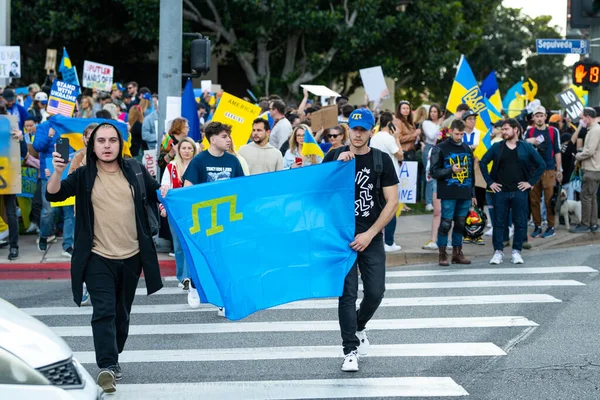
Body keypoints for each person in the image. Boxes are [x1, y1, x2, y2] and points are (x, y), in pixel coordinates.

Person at [46, 123, 168, 394]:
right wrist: (56, 171)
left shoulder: (134, 169)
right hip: (97, 255)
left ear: (120, 143)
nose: (107, 145)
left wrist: (166, 199)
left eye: (112, 140)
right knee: (104, 311)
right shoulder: (83, 174)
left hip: (132, 255)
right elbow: (54, 194)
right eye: (101, 140)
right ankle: (107, 366)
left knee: (121, 315)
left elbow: (156, 192)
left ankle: (114, 353)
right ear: (92, 145)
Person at [323, 108, 399, 372]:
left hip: (371, 234)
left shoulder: (381, 160)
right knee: (347, 294)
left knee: (376, 292)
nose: (357, 134)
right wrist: (335, 168)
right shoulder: (334, 155)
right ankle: (349, 349)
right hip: (341, 237)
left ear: (371, 131)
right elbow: (319, 194)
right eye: (353, 129)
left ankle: (359, 325)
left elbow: (392, 202)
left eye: (362, 130)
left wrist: (370, 233)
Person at [182, 122, 245, 313]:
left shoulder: (233, 161)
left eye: (229, 136)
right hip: (204, 220)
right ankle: (194, 283)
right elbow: (187, 188)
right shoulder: (199, 160)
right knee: (204, 256)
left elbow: (241, 187)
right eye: (225, 136)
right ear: (213, 139)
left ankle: (222, 299)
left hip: (226, 219)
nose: (229, 140)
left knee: (224, 259)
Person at [480, 118, 545, 265]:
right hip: (501, 191)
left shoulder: (525, 147)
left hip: (519, 191)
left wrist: (530, 182)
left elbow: (541, 164)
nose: (503, 132)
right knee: (499, 222)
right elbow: (483, 162)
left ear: (516, 130)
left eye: (506, 129)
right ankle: (498, 252)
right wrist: (490, 182)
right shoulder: (497, 147)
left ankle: (516, 251)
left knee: (520, 222)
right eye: (502, 129)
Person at [430, 119, 476, 266]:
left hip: (464, 191)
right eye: (457, 134)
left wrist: (473, 193)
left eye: (462, 134)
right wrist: (451, 170)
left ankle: (457, 253)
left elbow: (471, 173)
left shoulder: (467, 148)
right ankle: (442, 254)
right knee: (446, 223)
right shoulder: (441, 148)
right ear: (450, 131)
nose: (459, 137)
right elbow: (434, 171)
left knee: (461, 224)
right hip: (448, 192)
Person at [160, 137, 197, 290]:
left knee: (191, 243)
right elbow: (164, 188)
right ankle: (182, 276)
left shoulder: (197, 166)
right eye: (184, 148)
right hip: (175, 211)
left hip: (194, 211)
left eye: (190, 148)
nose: (187, 151)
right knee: (179, 245)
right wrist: (163, 207)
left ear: (194, 150)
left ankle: (189, 277)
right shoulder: (171, 167)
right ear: (178, 150)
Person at [524, 106, 562, 239]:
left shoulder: (553, 131)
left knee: (549, 200)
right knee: (534, 200)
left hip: (549, 169)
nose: (539, 118)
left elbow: (557, 150)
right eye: (537, 116)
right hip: (533, 170)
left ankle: (551, 226)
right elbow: (521, 149)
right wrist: (528, 141)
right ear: (533, 118)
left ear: (545, 117)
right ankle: (537, 225)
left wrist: (559, 170)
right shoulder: (529, 132)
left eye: (541, 115)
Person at [369, 112, 403, 252]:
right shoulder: (389, 138)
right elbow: (400, 154)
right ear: (389, 123)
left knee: (378, 208)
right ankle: (389, 242)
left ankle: (379, 238)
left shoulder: (375, 137)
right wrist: (397, 138)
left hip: (376, 176)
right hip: (390, 177)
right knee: (391, 208)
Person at [0, 113, 28, 260]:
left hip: (7, 175)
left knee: (11, 213)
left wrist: (21, 139)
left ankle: (14, 246)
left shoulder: (12, 130)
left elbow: (24, 153)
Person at [571, 108, 600, 233]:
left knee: (586, 197)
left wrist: (578, 156)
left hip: (591, 169)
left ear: (588, 117)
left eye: (582, 117)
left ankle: (585, 224)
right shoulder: (594, 129)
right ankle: (593, 224)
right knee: (591, 197)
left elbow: (589, 151)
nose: (581, 120)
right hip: (594, 168)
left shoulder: (594, 130)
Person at [421, 104, 443, 211]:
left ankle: (438, 200)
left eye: (435, 111)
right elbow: (431, 136)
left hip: (439, 148)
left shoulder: (442, 123)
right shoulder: (426, 123)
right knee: (429, 174)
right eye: (431, 111)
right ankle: (428, 202)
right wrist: (439, 125)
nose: (433, 114)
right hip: (429, 148)